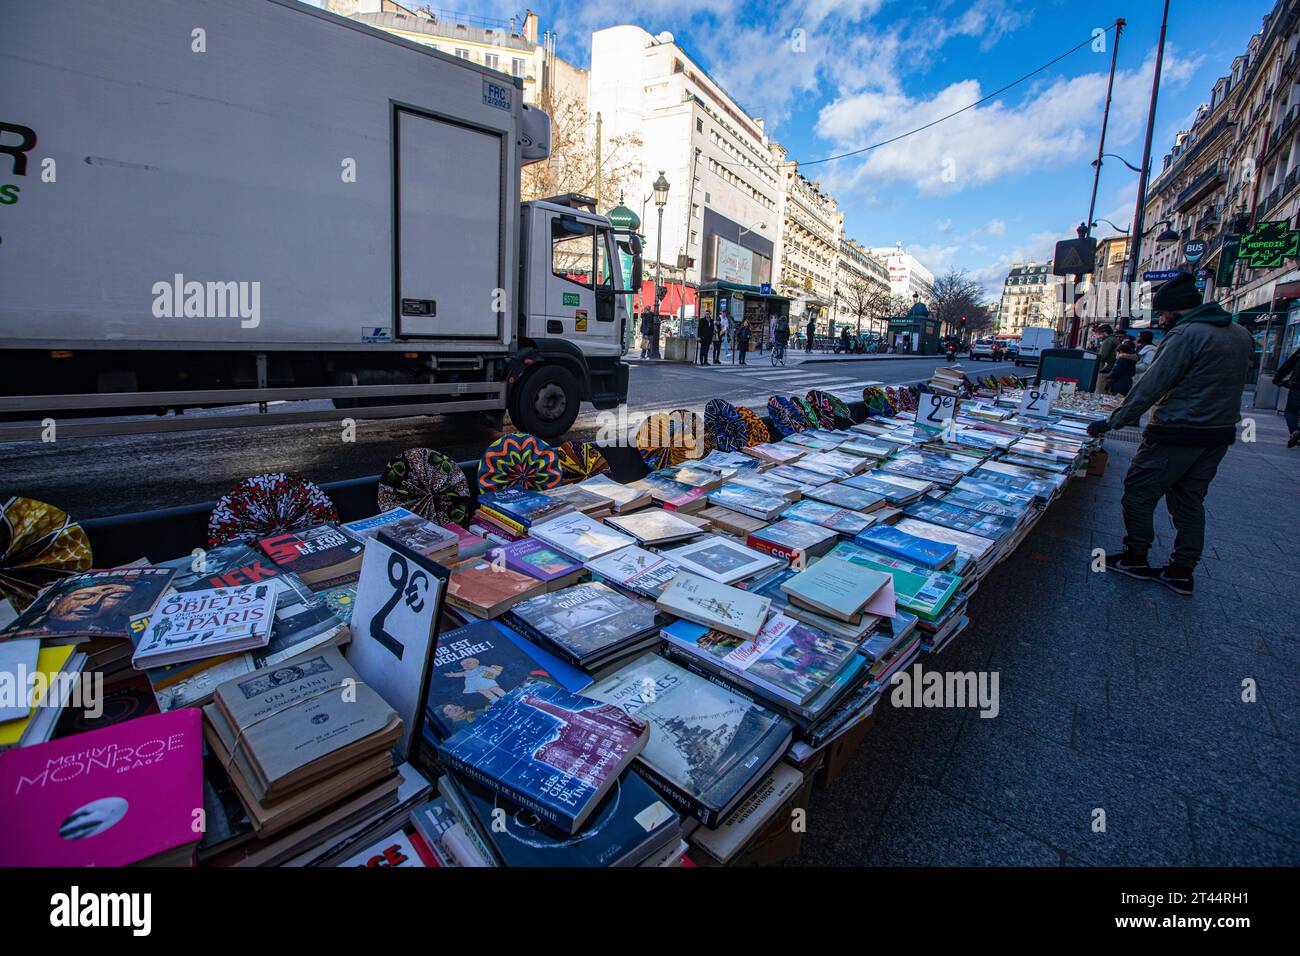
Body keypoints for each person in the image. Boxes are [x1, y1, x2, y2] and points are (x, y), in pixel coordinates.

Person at [1086, 272, 1255, 595]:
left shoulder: (1186, 335)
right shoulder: (1238, 333)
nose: (1160, 320)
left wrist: (1114, 421)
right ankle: (1181, 570)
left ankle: (1136, 556)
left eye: (1162, 314)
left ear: (1176, 310)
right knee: (1190, 500)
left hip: (1178, 430)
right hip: (1218, 433)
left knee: (1139, 491)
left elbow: (1152, 384)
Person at [1273, 345, 1300, 447]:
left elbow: (1288, 365)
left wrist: (1277, 379)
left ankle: (1295, 431)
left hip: (1296, 387)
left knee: (1291, 412)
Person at [1094, 324, 1117, 391]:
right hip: (1110, 368)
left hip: (1104, 369)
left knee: (1099, 390)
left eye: (1099, 334)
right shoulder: (1114, 339)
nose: (1099, 336)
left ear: (1104, 332)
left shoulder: (1107, 341)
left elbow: (1102, 356)